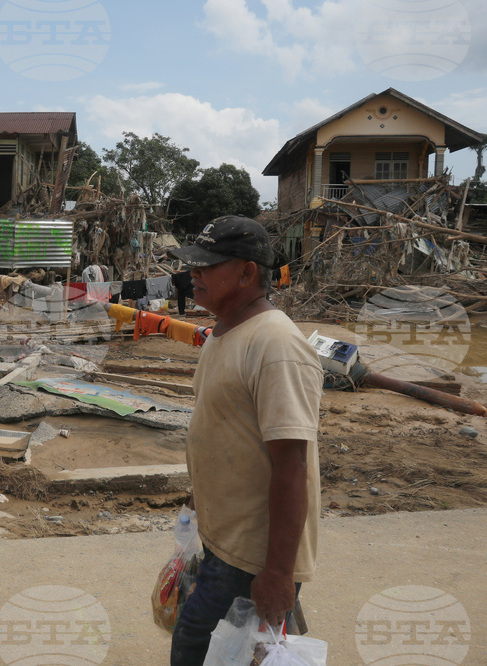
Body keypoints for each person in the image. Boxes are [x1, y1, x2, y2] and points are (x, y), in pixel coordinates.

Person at [167, 216, 323, 665]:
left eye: (207, 265)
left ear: (247, 272)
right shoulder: (225, 332)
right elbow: (226, 430)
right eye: (193, 264)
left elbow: (292, 465)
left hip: (252, 557)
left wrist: (278, 572)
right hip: (223, 542)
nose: (193, 274)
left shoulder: (276, 345)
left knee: (194, 647)